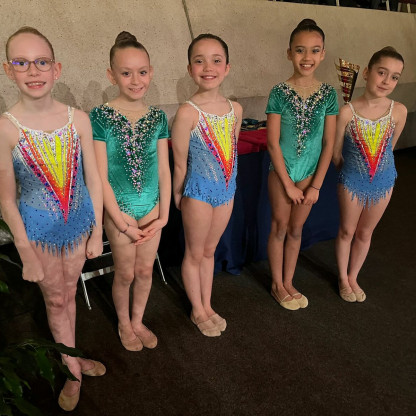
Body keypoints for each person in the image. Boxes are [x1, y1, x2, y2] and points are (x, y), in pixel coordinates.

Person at [0, 27, 105, 411]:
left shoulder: (79, 120)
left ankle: (70, 356)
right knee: (57, 299)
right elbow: (6, 199)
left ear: (56, 68)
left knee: (68, 294)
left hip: (77, 227)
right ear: (8, 69)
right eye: (22, 62)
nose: (33, 71)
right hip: (38, 233)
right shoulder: (6, 128)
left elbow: (93, 180)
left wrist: (97, 230)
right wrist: (25, 251)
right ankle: (73, 370)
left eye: (41, 62)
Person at [90, 32, 170, 351]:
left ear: (151, 72)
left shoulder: (158, 117)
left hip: (152, 207)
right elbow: (100, 176)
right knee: (124, 273)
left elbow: (163, 169)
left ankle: (138, 320)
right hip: (119, 209)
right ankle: (124, 323)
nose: (136, 80)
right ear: (112, 75)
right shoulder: (100, 116)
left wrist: (164, 216)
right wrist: (121, 223)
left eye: (142, 72)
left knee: (145, 270)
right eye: (126, 73)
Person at [171, 34, 243, 336]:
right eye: (199, 61)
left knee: (210, 250)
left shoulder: (235, 109)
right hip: (198, 192)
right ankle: (197, 309)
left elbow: (232, 150)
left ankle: (207, 303)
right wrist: (178, 195)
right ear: (190, 69)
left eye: (216, 60)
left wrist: (230, 186)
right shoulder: (187, 112)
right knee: (195, 252)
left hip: (226, 191)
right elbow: (179, 163)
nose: (208, 67)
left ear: (227, 67)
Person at [266, 19, 338, 310]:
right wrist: (287, 184)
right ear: (289, 53)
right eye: (300, 50)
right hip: (282, 172)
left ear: (323, 54)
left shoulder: (329, 94)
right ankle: (277, 284)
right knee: (279, 227)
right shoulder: (279, 92)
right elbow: (273, 143)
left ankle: (289, 281)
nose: (307, 57)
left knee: (296, 230)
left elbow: (329, 144)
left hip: (309, 174)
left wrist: (316, 185)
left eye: (314, 50)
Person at [333, 47, 407, 302]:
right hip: (352, 180)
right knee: (347, 231)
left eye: (394, 77)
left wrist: (377, 170)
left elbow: (390, 148)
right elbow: (335, 153)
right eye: (381, 72)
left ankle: (353, 276)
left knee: (365, 233)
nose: (386, 81)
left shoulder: (399, 111)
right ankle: (342, 278)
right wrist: (351, 171)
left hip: (384, 181)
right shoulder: (347, 112)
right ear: (366, 72)